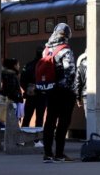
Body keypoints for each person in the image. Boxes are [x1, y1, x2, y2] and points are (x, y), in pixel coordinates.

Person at [42, 23, 77, 163]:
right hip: (64, 92)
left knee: (49, 122)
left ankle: (47, 154)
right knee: (63, 123)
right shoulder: (65, 50)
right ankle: (60, 154)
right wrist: (70, 89)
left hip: (50, 91)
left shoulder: (47, 50)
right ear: (67, 35)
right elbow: (70, 72)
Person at [20, 46, 46, 147]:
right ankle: (37, 140)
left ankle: (22, 139)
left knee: (27, 117)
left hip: (30, 95)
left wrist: (27, 89)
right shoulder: (45, 65)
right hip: (42, 95)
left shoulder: (28, 65)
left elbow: (22, 80)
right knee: (39, 118)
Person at [75, 50, 87, 117]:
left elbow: (77, 83)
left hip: (86, 94)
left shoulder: (80, 66)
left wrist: (78, 98)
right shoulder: (98, 64)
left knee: (88, 117)